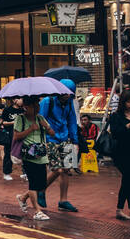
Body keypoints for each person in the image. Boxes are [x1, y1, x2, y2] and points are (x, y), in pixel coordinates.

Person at [40, 80, 80, 212]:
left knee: (67, 169)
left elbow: (72, 121)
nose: (66, 96)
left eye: (69, 94)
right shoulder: (47, 101)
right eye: (64, 93)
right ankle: (41, 189)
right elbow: (40, 119)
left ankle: (63, 200)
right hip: (50, 138)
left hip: (65, 138)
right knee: (57, 169)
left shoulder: (69, 103)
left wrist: (75, 142)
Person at [13, 95, 53, 220]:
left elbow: (52, 133)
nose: (37, 108)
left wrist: (45, 126)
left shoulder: (40, 118)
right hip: (28, 156)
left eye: (38, 105)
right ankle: (37, 211)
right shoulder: (21, 119)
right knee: (33, 183)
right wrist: (30, 129)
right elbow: (16, 136)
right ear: (26, 107)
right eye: (34, 105)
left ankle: (23, 197)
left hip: (41, 155)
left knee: (41, 184)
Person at [109, 89, 130, 223]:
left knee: (127, 180)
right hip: (119, 152)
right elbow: (116, 133)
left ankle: (119, 210)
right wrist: (128, 126)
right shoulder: (116, 116)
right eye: (129, 101)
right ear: (123, 102)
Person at [0, 96, 18, 181]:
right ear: (14, 100)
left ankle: (25, 172)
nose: (20, 100)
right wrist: (13, 122)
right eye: (18, 98)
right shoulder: (7, 110)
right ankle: (7, 172)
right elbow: (2, 122)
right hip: (10, 135)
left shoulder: (23, 110)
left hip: (21, 134)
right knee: (8, 153)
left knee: (24, 153)